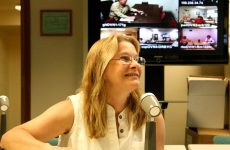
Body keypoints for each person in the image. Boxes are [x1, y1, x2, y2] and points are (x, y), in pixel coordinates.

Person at [0, 33, 165, 150]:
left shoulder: (150, 112)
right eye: (125, 58)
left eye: (137, 59)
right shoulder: (74, 108)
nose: (135, 65)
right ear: (101, 68)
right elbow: (11, 138)